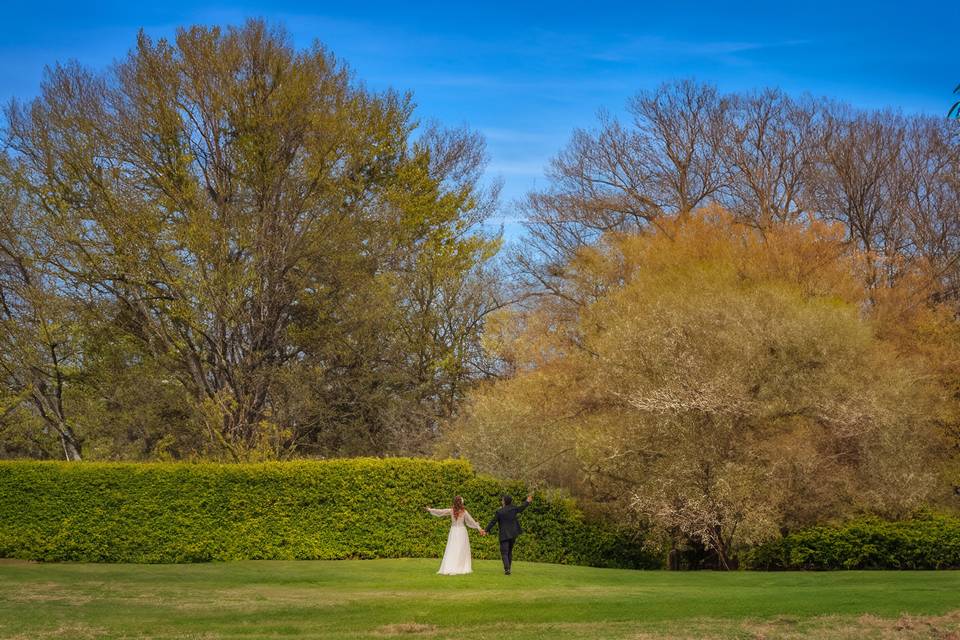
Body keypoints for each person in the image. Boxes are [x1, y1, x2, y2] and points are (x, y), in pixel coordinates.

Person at [425, 495, 483, 575]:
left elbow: (440, 511)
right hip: (462, 531)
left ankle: (451, 565)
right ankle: (460, 566)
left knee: (452, 548)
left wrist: (430, 509)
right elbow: (471, 521)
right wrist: (479, 528)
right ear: (461, 503)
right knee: (461, 549)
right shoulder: (464, 512)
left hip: (453, 531)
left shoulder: (451, 511)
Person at [484, 493, 533, 575]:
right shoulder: (513, 508)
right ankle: (508, 568)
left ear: (505, 501)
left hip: (504, 534)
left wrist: (486, 530)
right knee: (509, 551)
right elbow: (522, 508)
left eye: (502, 500)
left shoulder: (499, 512)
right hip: (513, 534)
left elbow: (493, 522)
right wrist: (527, 501)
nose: (501, 501)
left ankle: (507, 569)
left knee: (504, 552)